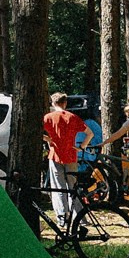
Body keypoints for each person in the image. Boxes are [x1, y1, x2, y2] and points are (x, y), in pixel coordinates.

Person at [42, 93, 85, 223]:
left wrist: (48, 139)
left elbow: (38, 131)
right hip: (71, 155)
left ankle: (62, 217)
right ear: (65, 103)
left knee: (58, 188)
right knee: (73, 187)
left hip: (55, 155)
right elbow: (90, 133)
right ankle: (80, 217)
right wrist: (82, 146)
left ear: (53, 103)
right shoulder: (72, 117)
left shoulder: (48, 117)